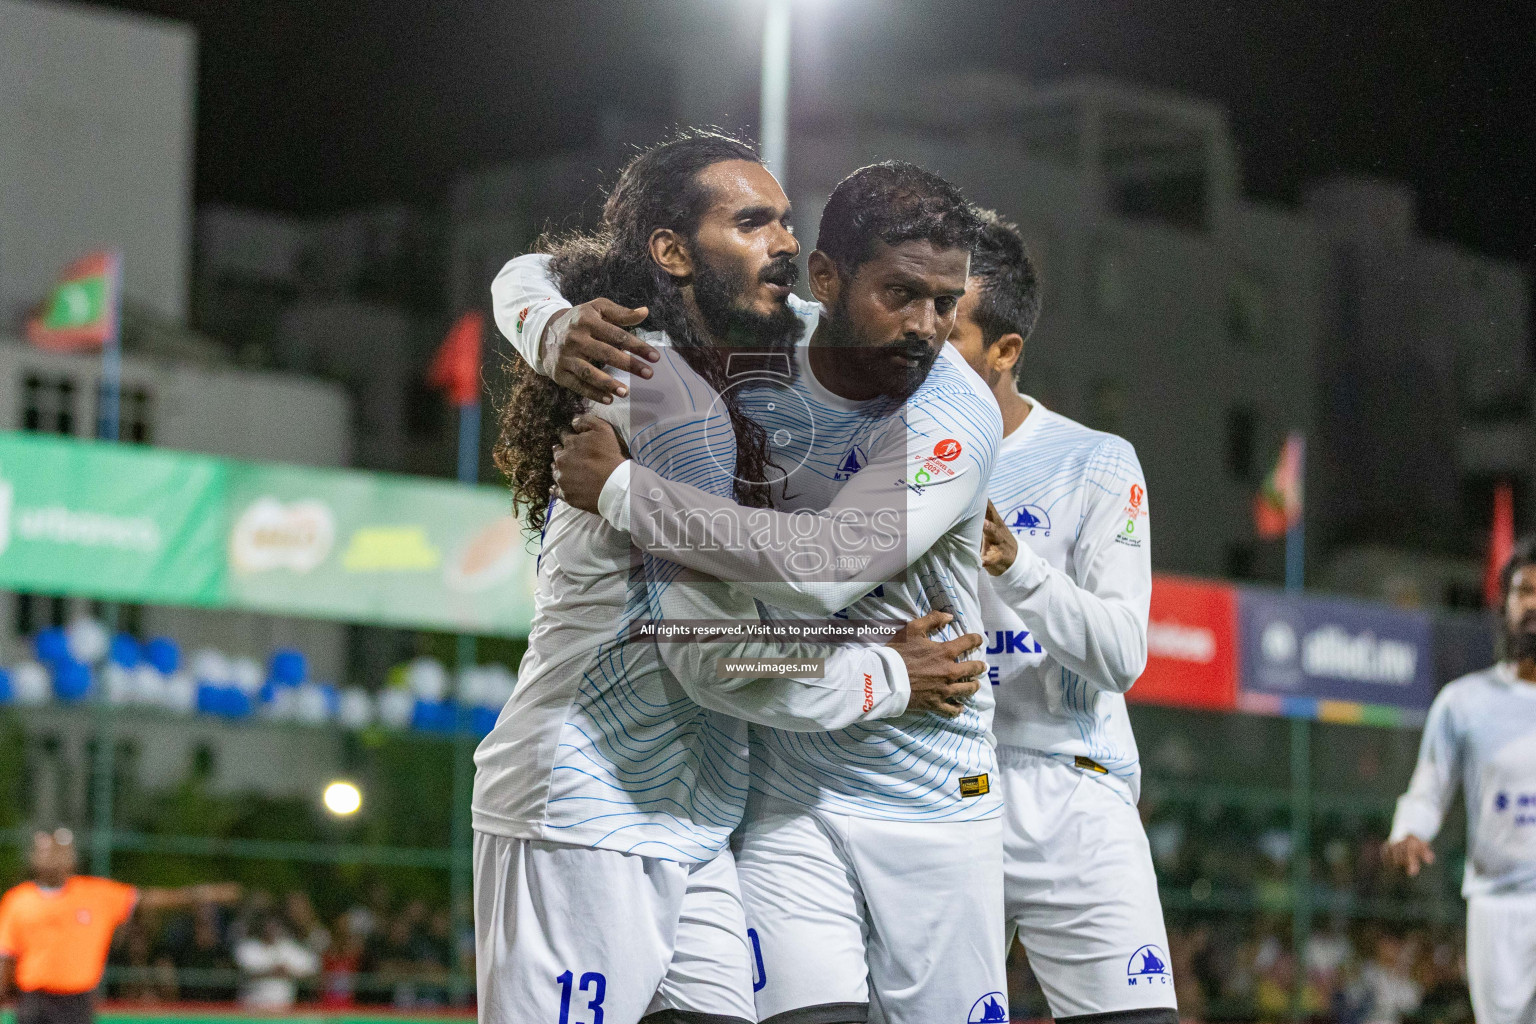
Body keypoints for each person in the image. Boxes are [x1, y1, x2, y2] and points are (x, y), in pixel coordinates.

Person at [475, 133, 986, 1024]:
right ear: (672, 253)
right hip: (585, 808)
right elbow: (710, 656)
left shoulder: (743, 370)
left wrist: (541, 317)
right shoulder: (664, 391)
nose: (781, 242)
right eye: (752, 222)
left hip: (690, 820)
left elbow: (536, 270)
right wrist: (889, 674)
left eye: (787, 221)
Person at [949, 211, 1177, 1024]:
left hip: (1070, 790)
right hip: (940, 790)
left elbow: (1121, 653)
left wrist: (1017, 565)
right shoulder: (885, 453)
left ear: (1004, 352)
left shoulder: (1093, 460)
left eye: (948, 331)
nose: (918, 347)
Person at [1382, 534, 1536, 1024]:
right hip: (1497, 907)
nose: (1534, 603)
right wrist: (1408, 833)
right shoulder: (1464, 701)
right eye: (1524, 591)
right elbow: (1429, 787)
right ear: (1504, 603)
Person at [0, 829, 239, 1024]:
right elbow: (6, 955)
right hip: (34, 1001)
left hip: (76, 1003)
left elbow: (149, 899)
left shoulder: (95, 894)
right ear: (33, 856)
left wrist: (203, 894)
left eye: (60, 850)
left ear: (72, 857)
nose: (53, 856)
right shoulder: (18, 900)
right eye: (46, 850)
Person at [233, 913, 319, 1010]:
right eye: (267, 925)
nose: (270, 929)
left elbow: (313, 968)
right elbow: (246, 972)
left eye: (274, 926)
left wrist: (290, 972)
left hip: (283, 1008)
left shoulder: (288, 947)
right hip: (251, 1007)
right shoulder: (248, 947)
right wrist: (274, 971)